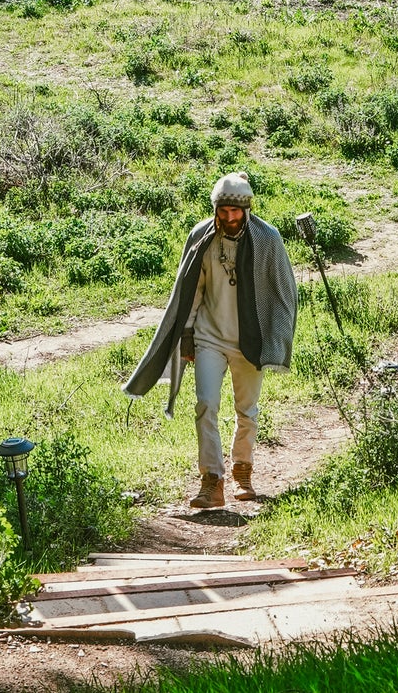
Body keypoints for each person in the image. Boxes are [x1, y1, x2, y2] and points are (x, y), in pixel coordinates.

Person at [124, 173, 298, 509]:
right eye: (224, 211)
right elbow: (192, 290)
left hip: (250, 339)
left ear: (246, 210)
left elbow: (283, 294)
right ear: (217, 209)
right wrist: (187, 334)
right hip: (209, 338)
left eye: (236, 212)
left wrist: (276, 340)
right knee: (205, 405)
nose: (230, 218)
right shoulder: (201, 237)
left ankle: (242, 471)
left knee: (246, 410)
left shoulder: (268, 239)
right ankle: (212, 481)